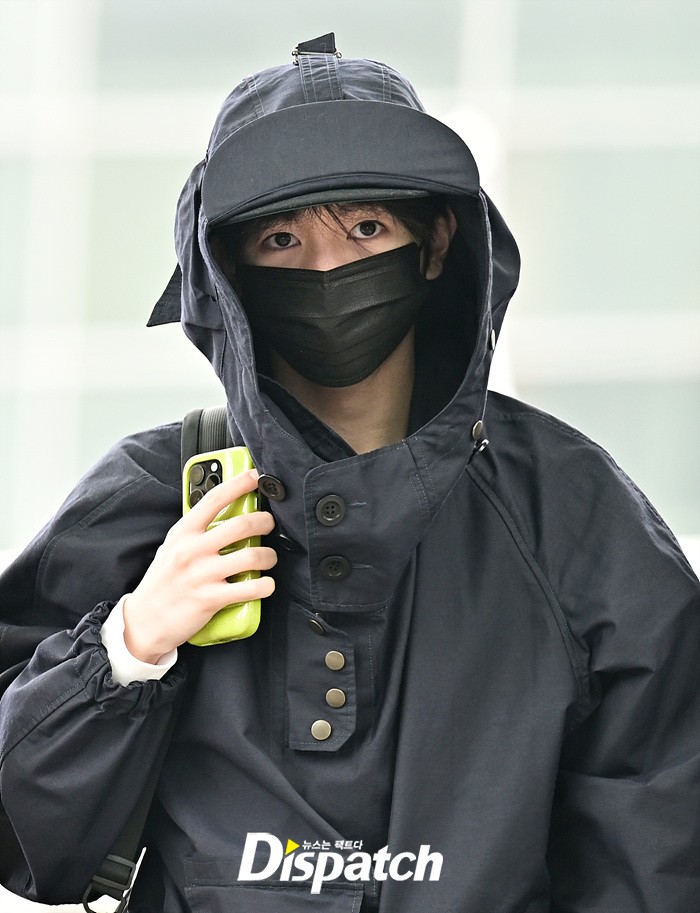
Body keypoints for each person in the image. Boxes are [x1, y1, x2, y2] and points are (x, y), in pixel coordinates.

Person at [0, 32, 699, 913]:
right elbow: (27, 843)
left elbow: (659, 841)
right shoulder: (154, 497)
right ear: (227, 275)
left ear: (437, 242)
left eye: (366, 228)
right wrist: (131, 644)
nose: (328, 268)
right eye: (281, 239)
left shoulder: (569, 510)